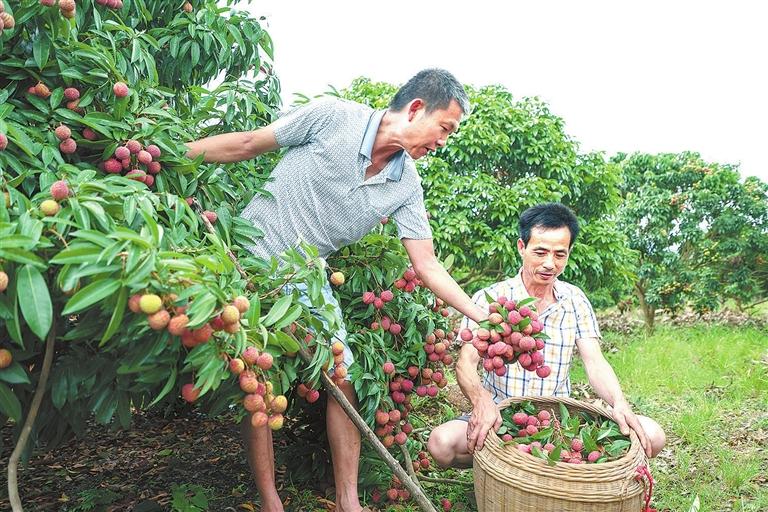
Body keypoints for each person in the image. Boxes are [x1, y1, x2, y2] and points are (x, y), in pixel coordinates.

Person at [186, 69, 487, 512]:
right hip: (245, 255)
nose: (444, 141)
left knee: (343, 377)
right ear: (417, 108)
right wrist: (171, 155)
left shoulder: (407, 185)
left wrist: (481, 315)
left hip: (305, 277)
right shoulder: (332, 117)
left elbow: (425, 264)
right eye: (445, 128)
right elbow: (250, 144)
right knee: (258, 379)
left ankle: (349, 501)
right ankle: (271, 500)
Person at [427, 202, 666, 468]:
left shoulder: (575, 300)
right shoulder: (489, 301)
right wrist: (481, 402)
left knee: (652, 436)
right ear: (522, 247)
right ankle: (495, 467)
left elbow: (595, 362)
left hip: (557, 423)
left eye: (560, 255)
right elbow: (465, 364)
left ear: (569, 253)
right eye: (540, 252)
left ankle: (536, 468)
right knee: (441, 443)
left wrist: (619, 403)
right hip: (498, 417)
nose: (550, 264)